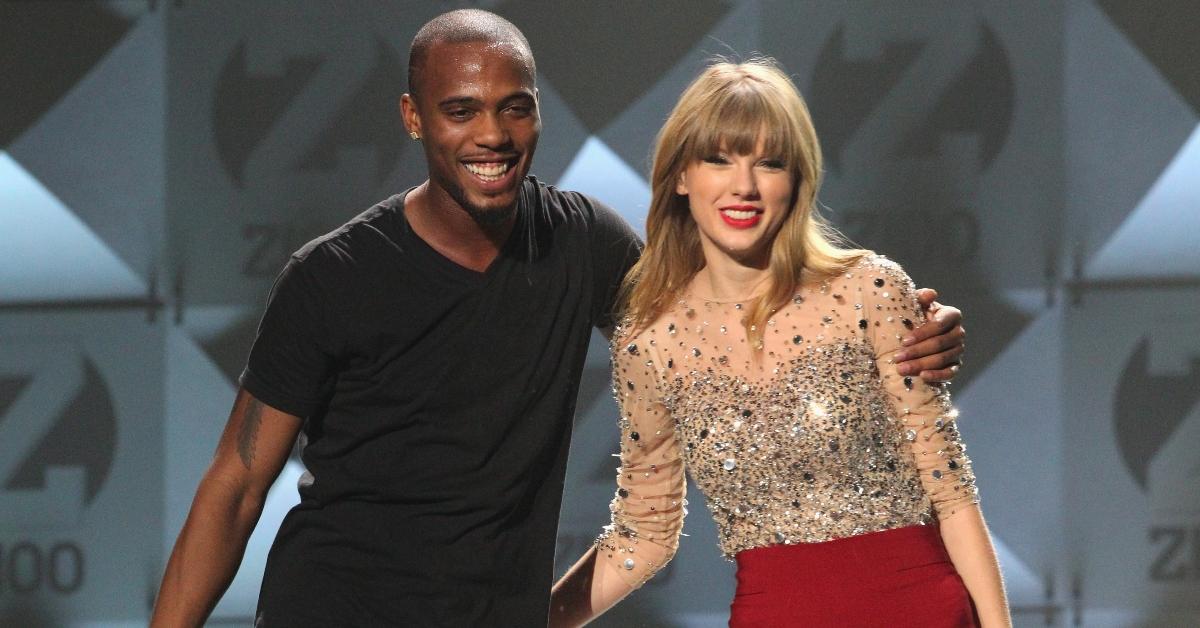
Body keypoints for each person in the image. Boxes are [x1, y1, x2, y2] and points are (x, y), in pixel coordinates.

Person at [150, 11, 967, 627]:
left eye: (515, 108)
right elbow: (234, 487)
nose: (492, 136)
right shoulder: (332, 277)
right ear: (412, 117)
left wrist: (900, 322)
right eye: (461, 110)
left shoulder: (583, 245)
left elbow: (728, 320)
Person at [549, 58, 1008, 627]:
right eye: (718, 159)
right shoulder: (648, 342)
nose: (744, 185)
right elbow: (644, 533)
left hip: (919, 609)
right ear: (680, 176)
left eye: (768, 163)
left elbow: (953, 495)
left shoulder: (870, 290)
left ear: (797, 180)